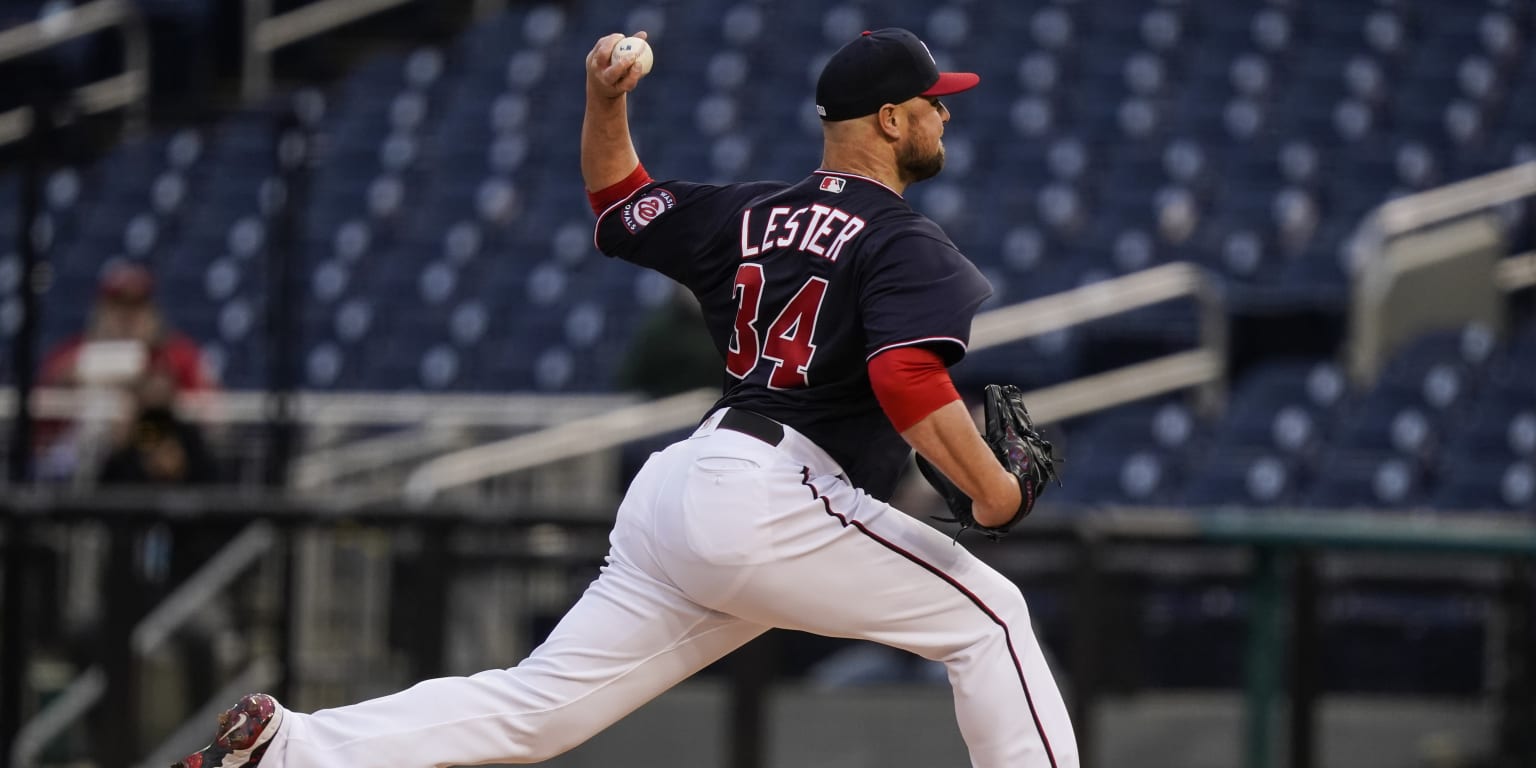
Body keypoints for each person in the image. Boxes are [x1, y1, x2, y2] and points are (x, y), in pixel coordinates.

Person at [174, 27, 1078, 768]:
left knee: (537, 712)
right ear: (889, 119)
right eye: (933, 103)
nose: (945, 116)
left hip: (685, 486)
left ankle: (291, 749)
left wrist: (606, 101)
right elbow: (905, 374)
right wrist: (996, 494)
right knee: (991, 618)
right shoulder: (905, 241)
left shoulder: (751, 211)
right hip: (775, 499)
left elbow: (617, 202)